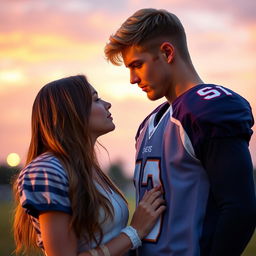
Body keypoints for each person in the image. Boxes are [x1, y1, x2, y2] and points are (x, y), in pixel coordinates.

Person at [104, 8, 256, 256]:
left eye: (137, 65)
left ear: (166, 52)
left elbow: (240, 209)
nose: (132, 79)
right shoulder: (149, 123)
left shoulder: (208, 108)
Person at [13, 75, 166, 256]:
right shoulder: (47, 170)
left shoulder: (88, 168)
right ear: (72, 112)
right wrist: (134, 233)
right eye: (96, 100)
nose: (107, 104)